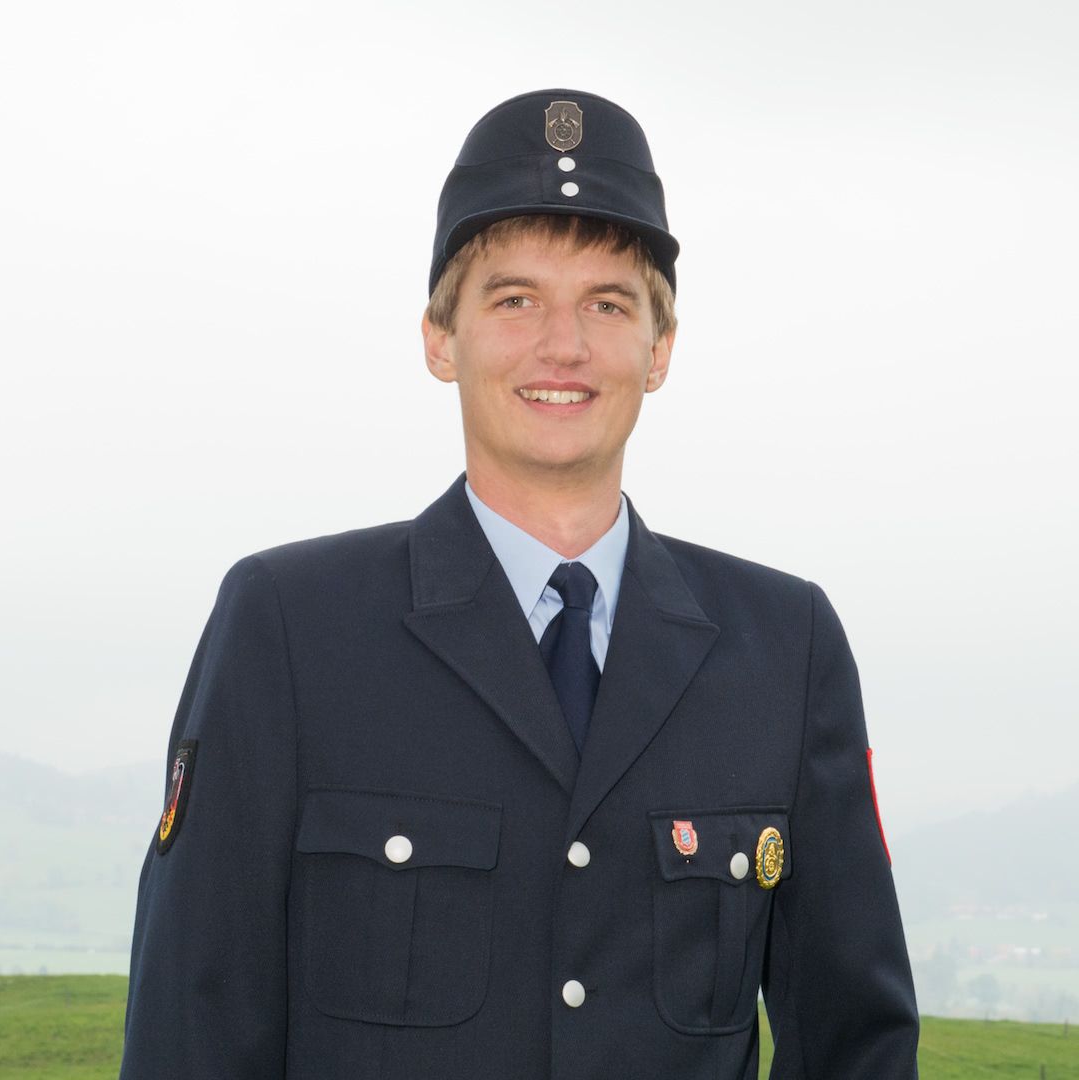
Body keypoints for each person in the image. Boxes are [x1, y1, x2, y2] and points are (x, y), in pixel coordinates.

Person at [120, 89, 919, 1079]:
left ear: (660, 349)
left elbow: (856, 1042)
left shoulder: (784, 648)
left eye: (607, 304)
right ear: (439, 338)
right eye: (515, 300)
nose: (563, 345)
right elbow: (191, 1029)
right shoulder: (289, 628)